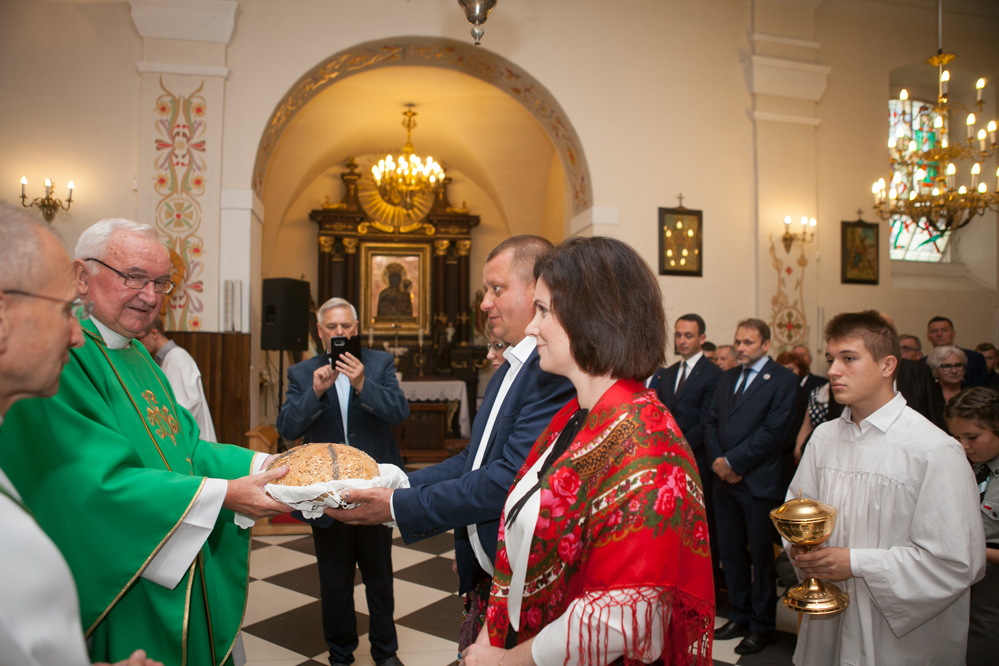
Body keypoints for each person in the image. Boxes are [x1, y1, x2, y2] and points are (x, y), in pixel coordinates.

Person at [0, 217, 291, 665]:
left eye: (161, 283)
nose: (151, 296)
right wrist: (224, 495)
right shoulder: (61, 358)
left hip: (172, 554)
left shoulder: (137, 353)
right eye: (134, 277)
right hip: (126, 574)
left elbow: (187, 449)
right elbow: (91, 487)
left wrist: (268, 467)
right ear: (82, 276)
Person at [462, 236, 714, 666]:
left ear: (590, 317)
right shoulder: (573, 417)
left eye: (543, 311)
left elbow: (619, 622)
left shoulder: (646, 446)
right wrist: (492, 633)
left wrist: (503, 661)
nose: (531, 328)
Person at [330, 236, 575, 653]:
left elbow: (505, 479)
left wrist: (395, 506)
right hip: (488, 570)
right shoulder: (510, 368)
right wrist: (398, 482)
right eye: (485, 290)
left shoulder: (548, 372)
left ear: (537, 289)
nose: (484, 302)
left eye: (496, 289)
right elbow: (472, 460)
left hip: (522, 572)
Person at [0, 206, 162, 666]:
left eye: (160, 283)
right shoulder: (74, 367)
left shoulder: (140, 356)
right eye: (64, 310)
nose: (76, 336)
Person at [787, 311, 985, 665]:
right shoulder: (824, 438)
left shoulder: (933, 449)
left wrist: (856, 562)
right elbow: (798, 510)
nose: (833, 371)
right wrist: (802, 550)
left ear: (887, 365)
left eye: (849, 358)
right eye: (831, 359)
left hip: (897, 633)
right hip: (829, 616)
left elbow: (957, 562)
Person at [276, 297, 409, 666]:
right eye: (332, 327)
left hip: (373, 490)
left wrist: (363, 382)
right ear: (320, 332)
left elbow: (399, 412)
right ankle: (340, 655)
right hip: (326, 495)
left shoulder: (379, 363)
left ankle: (386, 653)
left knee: (379, 578)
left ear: (356, 329)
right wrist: (315, 392)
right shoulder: (302, 372)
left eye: (346, 327)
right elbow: (287, 427)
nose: (340, 333)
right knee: (334, 582)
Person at [705, 319, 798, 655]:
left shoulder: (783, 379)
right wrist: (720, 462)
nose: (741, 348)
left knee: (761, 557)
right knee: (731, 553)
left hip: (758, 482)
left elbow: (775, 432)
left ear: (766, 345)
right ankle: (739, 615)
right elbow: (710, 421)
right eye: (738, 342)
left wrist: (734, 462)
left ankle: (761, 625)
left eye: (748, 342)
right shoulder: (727, 376)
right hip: (724, 481)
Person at [648, 313, 723, 590]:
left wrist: (676, 445)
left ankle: (703, 587)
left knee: (701, 529)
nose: (682, 341)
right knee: (673, 527)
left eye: (688, 335)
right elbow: (659, 413)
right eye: (678, 335)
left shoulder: (714, 374)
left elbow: (707, 420)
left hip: (696, 459)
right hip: (667, 460)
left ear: (702, 338)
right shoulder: (667, 373)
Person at [944, 387, 999, 666]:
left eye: (972, 437)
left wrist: (973, 549)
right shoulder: (968, 465)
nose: (963, 445)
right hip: (963, 574)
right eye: (956, 437)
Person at [137, 316, 217, 442]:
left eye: (139, 338)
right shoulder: (167, 360)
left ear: (154, 334)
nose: (137, 345)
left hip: (192, 442)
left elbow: (183, 410)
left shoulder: (177, 359)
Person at [927, 316, 988, 386]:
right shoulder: (923, 363)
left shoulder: (974, 358)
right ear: (928, 336)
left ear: (953, 334)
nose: (939, 334)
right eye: (934, 331)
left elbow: (981, 389)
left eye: (945, 330)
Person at [927, 345, 969, 424]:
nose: (954, 371)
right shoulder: (929, 394)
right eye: (946, 366)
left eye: (958, 365)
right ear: (935, 371)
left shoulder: (970, 393)